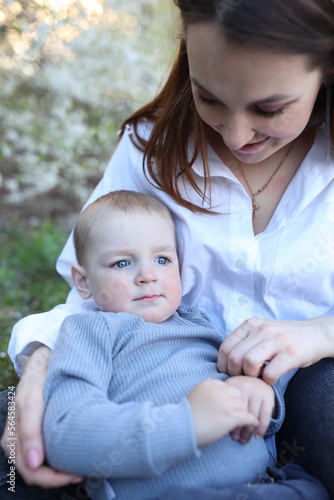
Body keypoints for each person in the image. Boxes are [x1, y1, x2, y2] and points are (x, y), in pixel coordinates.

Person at [1, 0, 334, 497]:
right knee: (13, 435)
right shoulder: (151, 148)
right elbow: (93, 286)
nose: (237, 134)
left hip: (309, 390)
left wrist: (319, 333)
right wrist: (44, 367)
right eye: (210, 97)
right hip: (151, 384)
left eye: (269, 108)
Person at [42, 189, 294, 499]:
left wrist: (259, 392)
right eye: (122, 263)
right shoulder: (90, 330)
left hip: (269, 483)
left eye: (162, 259)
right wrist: (186, 422)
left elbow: (243, 376)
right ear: (83, 282)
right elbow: (67, 434)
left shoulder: (197, 322)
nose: (147, 275)